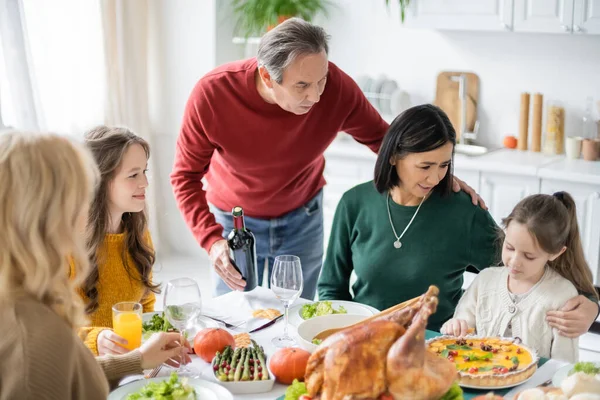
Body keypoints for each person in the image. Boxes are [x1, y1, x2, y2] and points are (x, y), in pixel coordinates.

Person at [170, 17, 482, 300]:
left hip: (301, 217)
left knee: (297, 314)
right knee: (234, 317)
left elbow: (384, 141)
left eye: (321, 80)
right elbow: (184, 177)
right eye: (302, 86)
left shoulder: (336, 88)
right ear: (267, 76)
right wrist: (211, 240)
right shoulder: (213, 94)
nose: (316, 96)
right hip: (235, 224)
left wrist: (435, 174)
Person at [317, 104, 600, 336]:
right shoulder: (354, 203)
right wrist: (339, 332)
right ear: (392, 157)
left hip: (437, 346)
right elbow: (331, 288)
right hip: (364, 339)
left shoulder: (464, 212)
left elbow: (532, 265)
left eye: (444, 165)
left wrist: (590, 304)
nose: (436, 177)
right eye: (425, 166)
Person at [0, 132, 188, 400]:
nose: (85, 206)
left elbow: (73, 372)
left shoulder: (27, 300)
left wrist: (138, 359)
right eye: (77, 194)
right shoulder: (36, 337)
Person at [442, 192, 599, 362]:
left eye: (529, 256)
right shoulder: (485, 280)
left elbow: (563, 363)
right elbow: (459, 326)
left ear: (556, 253)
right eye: (509, 247)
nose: (515, 262)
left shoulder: (562, 295)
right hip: (480, 379)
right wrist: (454, 326)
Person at [73, 126, 159, 356]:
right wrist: (95, 339)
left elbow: (146, 304)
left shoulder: (139, 235)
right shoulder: (66, 247)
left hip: (131, 361)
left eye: (144, 172)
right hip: (84, 367)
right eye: (133, 175)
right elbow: (52, 327)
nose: (145, 183)